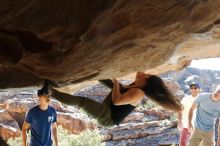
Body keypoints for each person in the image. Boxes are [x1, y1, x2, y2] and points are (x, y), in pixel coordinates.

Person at [42, 72, 182, 127]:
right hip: (109, 108)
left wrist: (115, 82)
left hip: (108, 118)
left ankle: (49, 92)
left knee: (82, 102)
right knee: (119, 86)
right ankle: (94, 72)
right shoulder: (136, 86)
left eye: (147, 75)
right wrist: (115, 83)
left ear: (146, 82)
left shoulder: (138, 93)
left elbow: (116, 101)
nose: (143, 73)